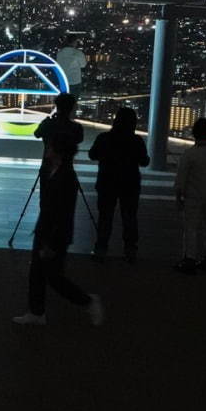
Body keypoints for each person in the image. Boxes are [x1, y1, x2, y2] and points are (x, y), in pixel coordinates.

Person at [14, 145, 103, 326]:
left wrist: (51, 242)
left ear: (59, 151)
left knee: (52, 276)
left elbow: (62, 212)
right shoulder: (56, 171)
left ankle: (86, 301)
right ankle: (36, 312)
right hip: (48, 232)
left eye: (51, 146)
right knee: (39, 273)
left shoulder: (65, 176)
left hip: (54, 235)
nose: (47, 149)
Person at [88, 107, 148, 264]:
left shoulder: (104, 138)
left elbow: (92, 155)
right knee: (129, 217)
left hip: (107, 182)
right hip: (130, 184)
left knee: (105, 217)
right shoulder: (136, 141)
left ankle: (101, 248)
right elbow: (144, 161)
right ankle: (130, 250)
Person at [174, 117, 206, 274]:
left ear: (194, 134)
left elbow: (181, 178)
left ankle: (190, 259)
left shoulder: (190, 154)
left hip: (194, 194)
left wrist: (178, 196)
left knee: (191, 227)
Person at [34, 91, 83, 167]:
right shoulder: (76, 127)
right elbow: (79, 140)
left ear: (57, 106)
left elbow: (37, 134)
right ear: (72, 108)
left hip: (48, 166)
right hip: (66, 168)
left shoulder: (48, 123)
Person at [54, 36, 88, 109]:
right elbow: (83, 65)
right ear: (74, 42)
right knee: (72, 104)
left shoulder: (60, 53)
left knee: (62, 104)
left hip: (63, 81)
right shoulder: (78, 53)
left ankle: (61, 117)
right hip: (75, 81)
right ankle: (70, 117)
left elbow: (58, 65)